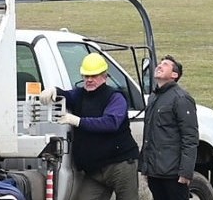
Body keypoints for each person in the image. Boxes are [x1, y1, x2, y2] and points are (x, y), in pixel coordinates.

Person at [40, 52, 140, 200]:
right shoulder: (80, 94)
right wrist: (54, 90)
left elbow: (111, 123)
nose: (89, 80)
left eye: (94, 76)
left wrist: (78, 121)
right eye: (86, 76)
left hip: (120, 165)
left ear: (104, 76)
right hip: (94, 170)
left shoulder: (115, 97)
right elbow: (67, 95)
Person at [139, 56, 199, 200]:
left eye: (165, 65)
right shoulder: (153, 98)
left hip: (173, 173)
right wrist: (145, 168)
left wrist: (186, 172)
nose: (159, 66)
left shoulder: (181, 98)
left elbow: (190, 137)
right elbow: (149, 135)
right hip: (155, 171)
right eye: (159, 64)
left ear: (174, 75)